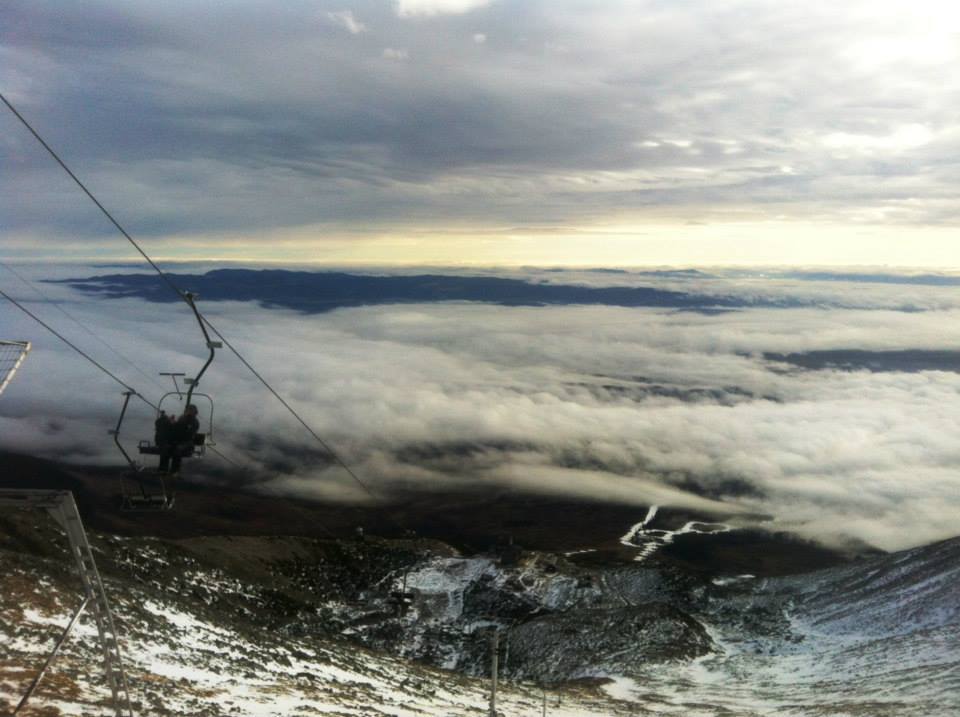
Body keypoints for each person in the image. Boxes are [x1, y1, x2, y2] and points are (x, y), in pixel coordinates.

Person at [158, 404, 199, 474]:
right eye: (188, 410)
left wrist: (176, 424)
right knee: (166, 448)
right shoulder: (182, 418)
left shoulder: (194, 421)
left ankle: (174, 471)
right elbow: (175, 430)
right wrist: (171, 422)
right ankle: (163, 470)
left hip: (187, 442)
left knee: (178, 449)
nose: (188, 411)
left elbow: (188, 433)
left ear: (194, 412)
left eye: (191, 410)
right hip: (178, 441)